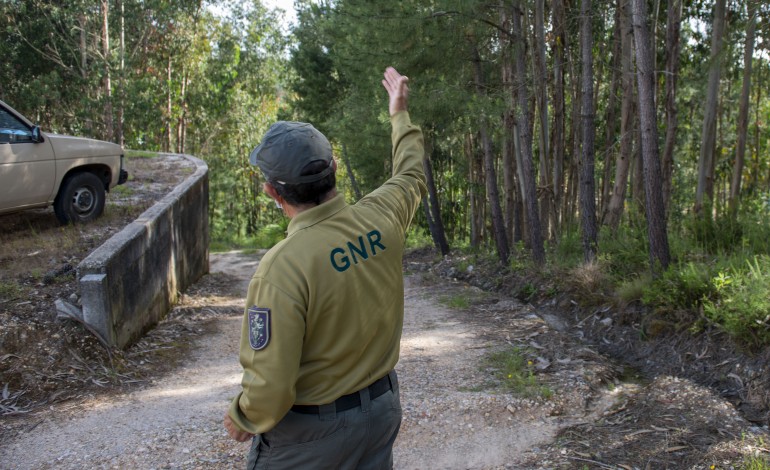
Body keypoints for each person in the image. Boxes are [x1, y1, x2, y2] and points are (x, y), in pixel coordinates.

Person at [224, 66, 426, 470]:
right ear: (334, 166)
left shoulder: (282, 267)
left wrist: (243, 415)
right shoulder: (381, 217)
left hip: (311, 436)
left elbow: (272, 384)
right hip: (382, 411)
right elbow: (411, 172)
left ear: (271, 192)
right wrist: (399, 112)